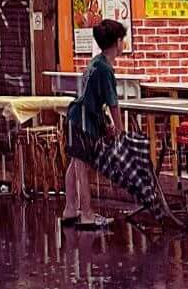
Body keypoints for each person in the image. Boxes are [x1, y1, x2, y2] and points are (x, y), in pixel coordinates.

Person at [62, 19, 172, 230]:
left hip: (77, 116)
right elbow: (113, 103)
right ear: (118, 42)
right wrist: (120, 130)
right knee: (81, 165)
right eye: (123, 39)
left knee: (75, 163)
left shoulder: (95, 63)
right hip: (84, 121)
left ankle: (69, 209)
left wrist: (104, 126)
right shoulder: (106, 69)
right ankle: (86, 214)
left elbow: (93, 97)